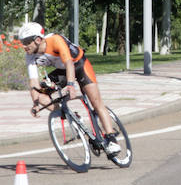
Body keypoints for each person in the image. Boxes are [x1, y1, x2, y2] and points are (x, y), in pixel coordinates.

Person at [17, 21, 120, 156]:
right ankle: (72, 117)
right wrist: (36, 103)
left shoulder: (55, 40)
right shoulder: (30, 56)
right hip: (62, 71)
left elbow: (69, 63)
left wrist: (71, 85)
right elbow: (33, 82)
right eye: (22, 42)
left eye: (26, 42)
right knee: (41, 95)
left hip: (79, 65)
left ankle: (111, 138)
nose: (24, 46)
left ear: (37, 40)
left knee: (96, 102)